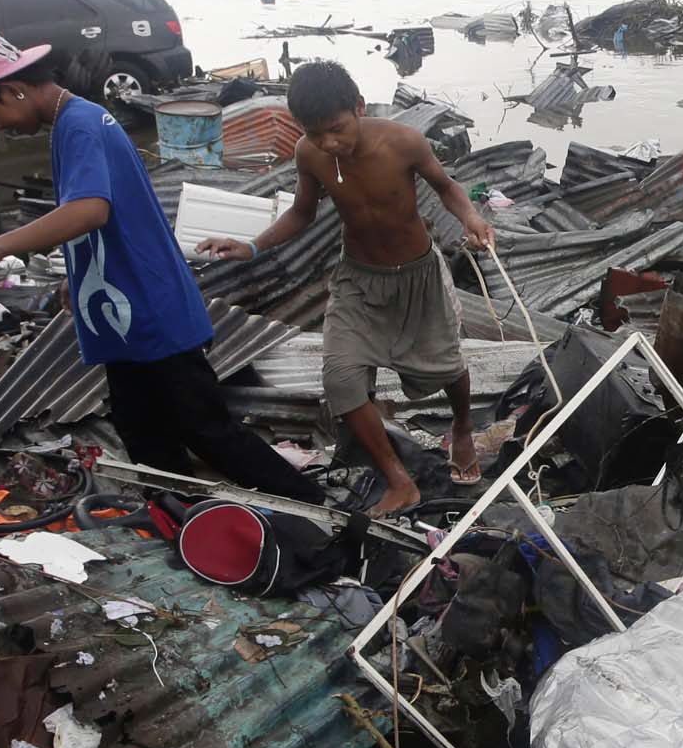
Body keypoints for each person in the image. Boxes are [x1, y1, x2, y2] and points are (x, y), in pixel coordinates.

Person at [0, 31, 323, 503]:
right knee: (145, 437)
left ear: (12, 90)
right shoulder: (71, 122)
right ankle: (183, 520)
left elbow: (90, 209)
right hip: (124, 316)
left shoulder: (78, 125)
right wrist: (74, 283)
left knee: (208, 431)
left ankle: (318, 510)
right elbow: (98, 221)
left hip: (150, 309)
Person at [198, 60, 492, 514]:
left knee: (447, 365)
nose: (329, 142)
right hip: (358, 279)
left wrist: (471, 218)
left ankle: (463, 428)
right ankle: (398, 480)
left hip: (418, 276)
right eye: (316, 134)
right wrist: (251, 247)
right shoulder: (308, 154)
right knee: (340, 377)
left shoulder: (403, 142)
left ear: (358, 106)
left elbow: (447, 187)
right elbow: (301, 213)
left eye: (337, 129)